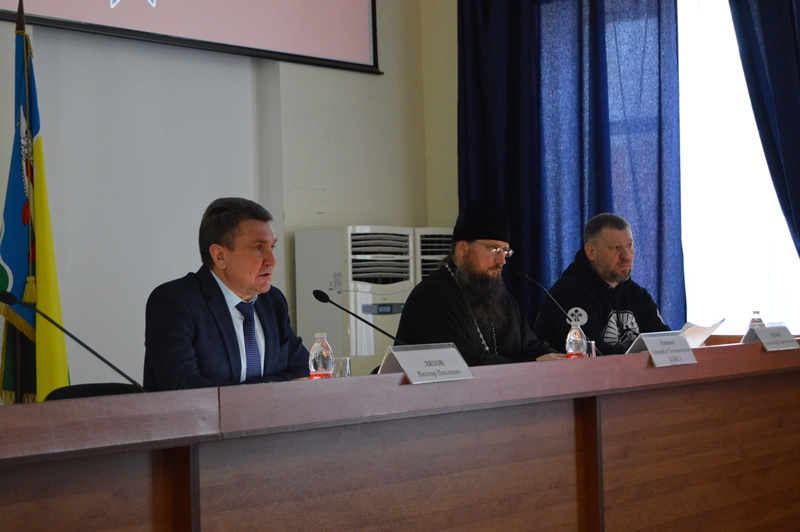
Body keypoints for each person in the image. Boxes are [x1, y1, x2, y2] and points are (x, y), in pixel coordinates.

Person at [144, 197, 309, 391]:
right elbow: (183, 387)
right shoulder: (175, 302)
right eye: (258, 248)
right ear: (219, 256)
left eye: (271, 247)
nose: (272, 260)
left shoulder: (273, 301)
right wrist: (266, 391)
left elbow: (305, 370)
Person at [395, 198, 557, 365]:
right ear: (462, 248)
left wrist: (553, 359)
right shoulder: (431, 297)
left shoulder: (503, 299)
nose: (502, 261)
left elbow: (532, 347)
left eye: (506, 252)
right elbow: (461, 363)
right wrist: (532, 363)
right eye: (494, 249)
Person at [534, 213, 669, 355]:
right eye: (616, 248)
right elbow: (590, 351)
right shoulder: (569, 292)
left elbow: (663, 340)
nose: (626, 255)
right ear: (591, 252)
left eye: (629, 246)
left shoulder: (638, 295)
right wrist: (644, 356)